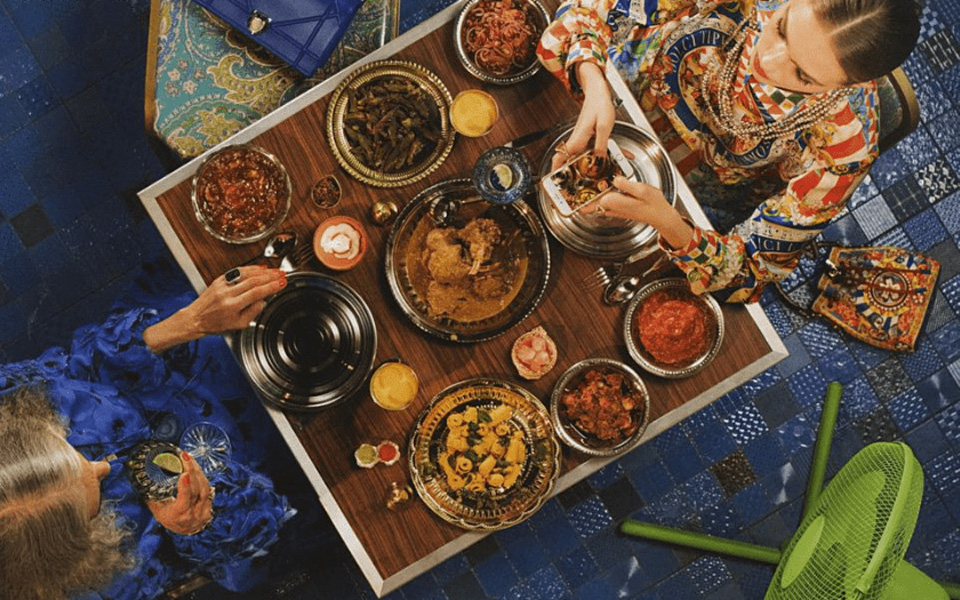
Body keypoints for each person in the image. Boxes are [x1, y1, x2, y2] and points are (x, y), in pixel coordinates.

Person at [537, 0, 920, 302]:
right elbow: (593, 10)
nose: (765, 61)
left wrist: (670, 224)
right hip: (611, 89)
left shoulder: (845, 148)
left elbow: (752, 269)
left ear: (854, 83)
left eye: (803, 76)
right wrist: (592, 79)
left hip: (689, 196)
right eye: (782, 28)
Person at [0, 265, 294, 600]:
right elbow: (243, 567)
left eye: (74, 452)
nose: (105, 466)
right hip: (248, 459)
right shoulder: (101, 586)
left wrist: (189, 323)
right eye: (95, 499)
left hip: (178, 351)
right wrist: (195, 525)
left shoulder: (7, 401)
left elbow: (79, 364)